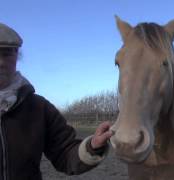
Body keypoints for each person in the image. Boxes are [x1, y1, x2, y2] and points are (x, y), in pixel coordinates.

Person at [0, 22, 113, 180]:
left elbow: (65, 154)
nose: (1, 62)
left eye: (7, 54)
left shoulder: (39, 108)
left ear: (17, 57)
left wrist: (93, 146)